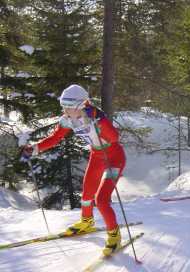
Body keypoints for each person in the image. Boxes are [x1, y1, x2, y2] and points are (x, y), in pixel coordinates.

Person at [21, 84, 126, 256]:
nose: (65, 110)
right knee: (86, 193)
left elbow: (114, 138)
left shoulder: (94, 117)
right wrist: (35, 148)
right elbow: (55, 138)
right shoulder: (68, 119)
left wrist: (101, 119)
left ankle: (114, 235)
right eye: (64, 106)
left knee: (101, 199)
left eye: (68, 107)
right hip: (97, 156)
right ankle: (86, 221)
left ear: (80, 105)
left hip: (113, 159)